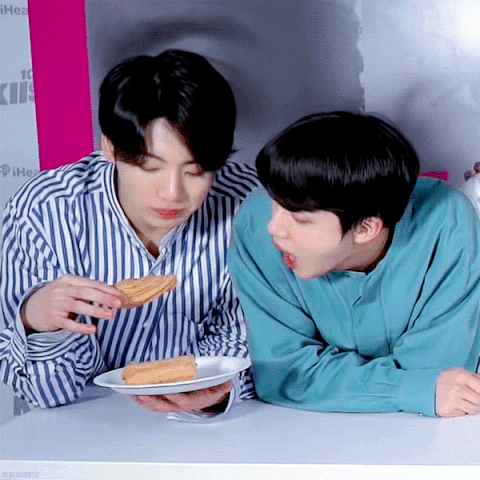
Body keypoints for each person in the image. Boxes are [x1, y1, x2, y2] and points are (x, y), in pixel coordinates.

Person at [0, 49, 259, 418]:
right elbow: (47, 394)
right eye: (151, 168)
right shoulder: (45, 212)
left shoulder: (249, 207)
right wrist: (38, 320)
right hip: (83, 429)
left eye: (196, 171)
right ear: (110, 147)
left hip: (208, 429)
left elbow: (246, 354)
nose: (173, 193)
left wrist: (215, 394)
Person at [228, 111, 480, 418]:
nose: (274, 228)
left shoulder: (448, 223)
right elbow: (282, 372)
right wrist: (409, 387)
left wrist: (328, 376)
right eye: (275, 203)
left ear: (366, 228)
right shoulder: (256, 221)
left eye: (300, 219)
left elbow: (443, 374)